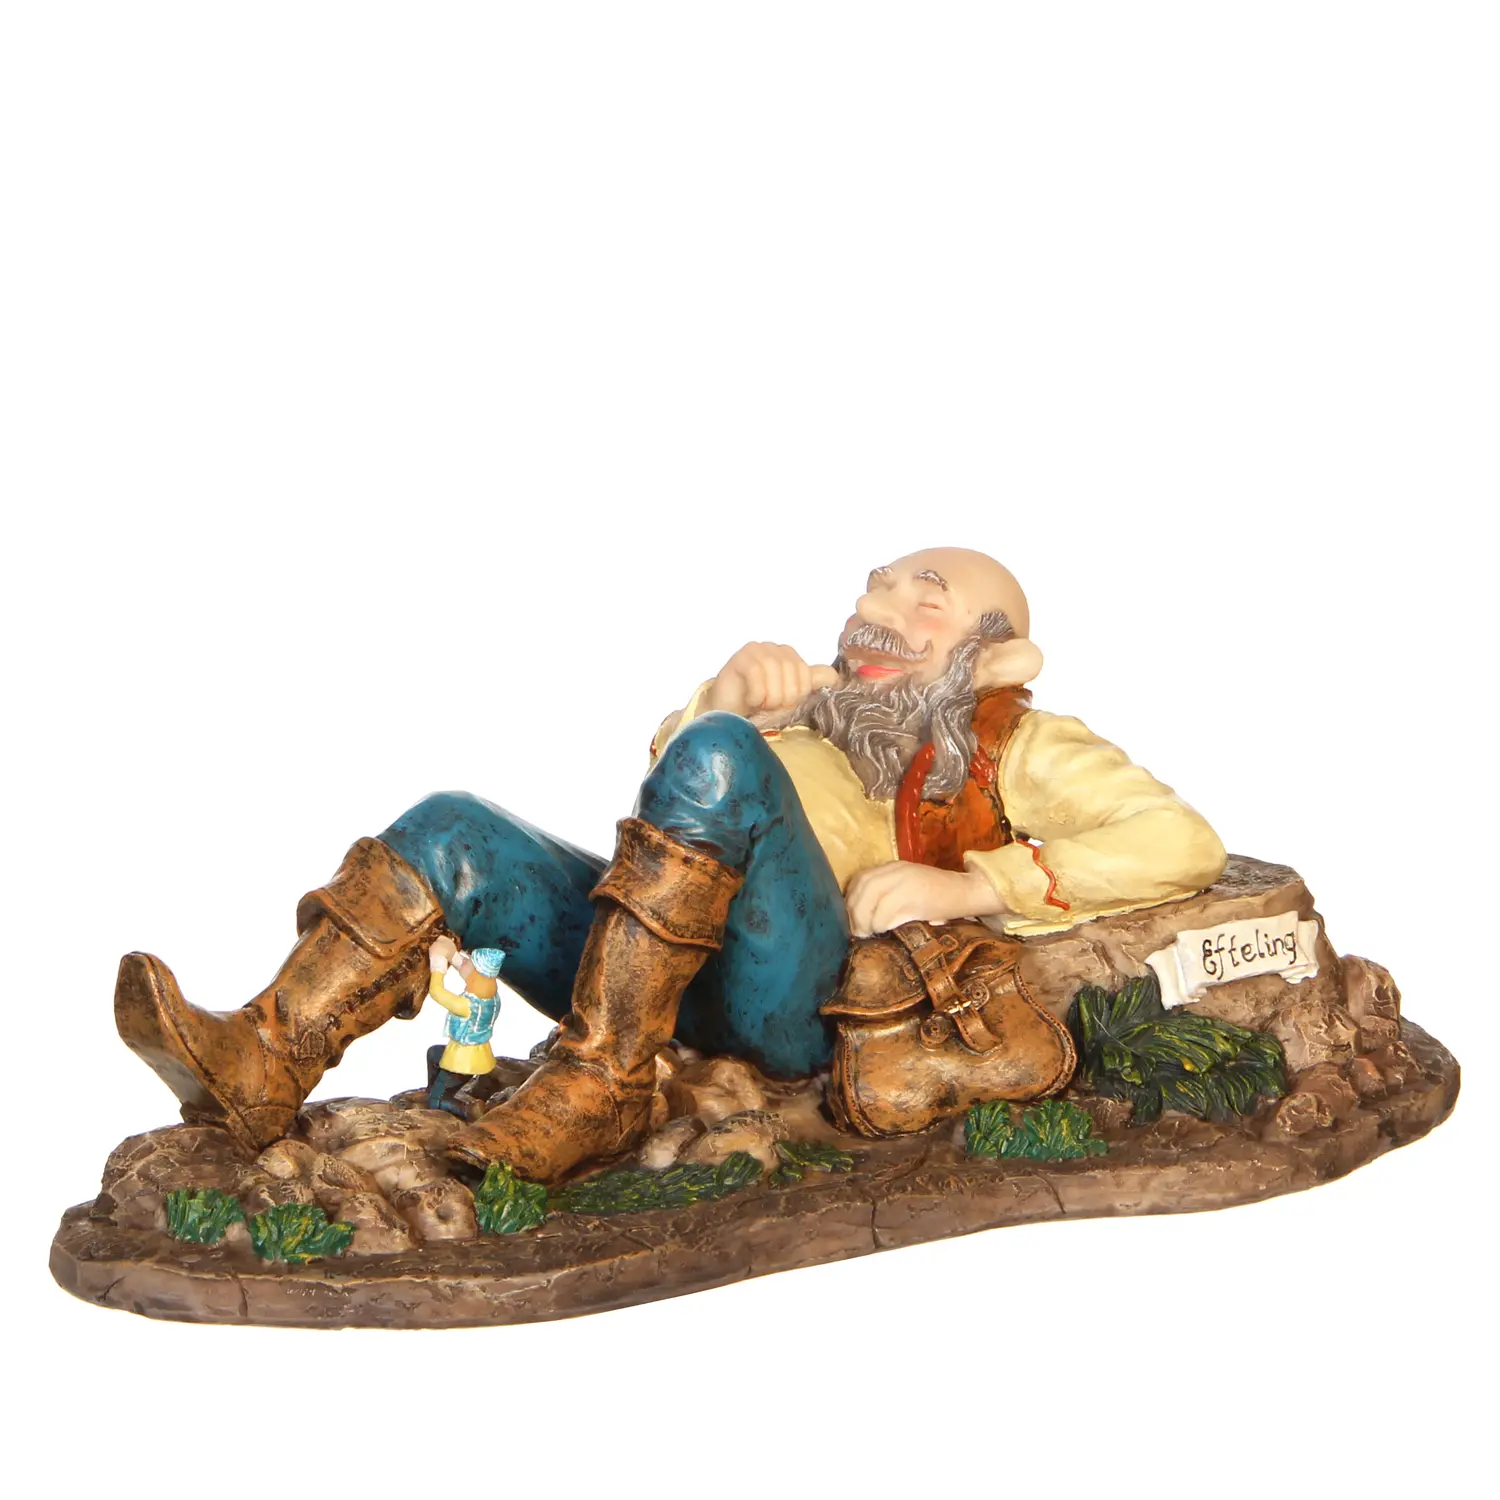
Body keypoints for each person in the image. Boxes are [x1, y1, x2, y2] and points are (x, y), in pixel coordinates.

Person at [115, 547, 1226, 1182]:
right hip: (650, 974)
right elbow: (673, 794)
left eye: (923, 603)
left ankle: (601, 1087)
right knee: (456, 826)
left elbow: (1182, 843)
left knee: (722, 752)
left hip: (801, 1008)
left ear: (996, 654)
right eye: (879, 592)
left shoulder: (1018, 742)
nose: (879, 616)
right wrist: (725, 701)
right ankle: (265, 1056)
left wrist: (976, 883)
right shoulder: (808, 709)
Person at [423, 940, 506, 1117]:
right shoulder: (492, 998)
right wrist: (453, 955)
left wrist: (438, 961)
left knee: (436, 1102)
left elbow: (436, 992)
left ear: (476, 976)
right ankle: (434, 1089)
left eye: (470, 964)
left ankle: (467, 1110)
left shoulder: (467, 1006)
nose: (465, 964)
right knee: (434, 1054)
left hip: (460, 1063)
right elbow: (468, 971)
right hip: (476, 1056)